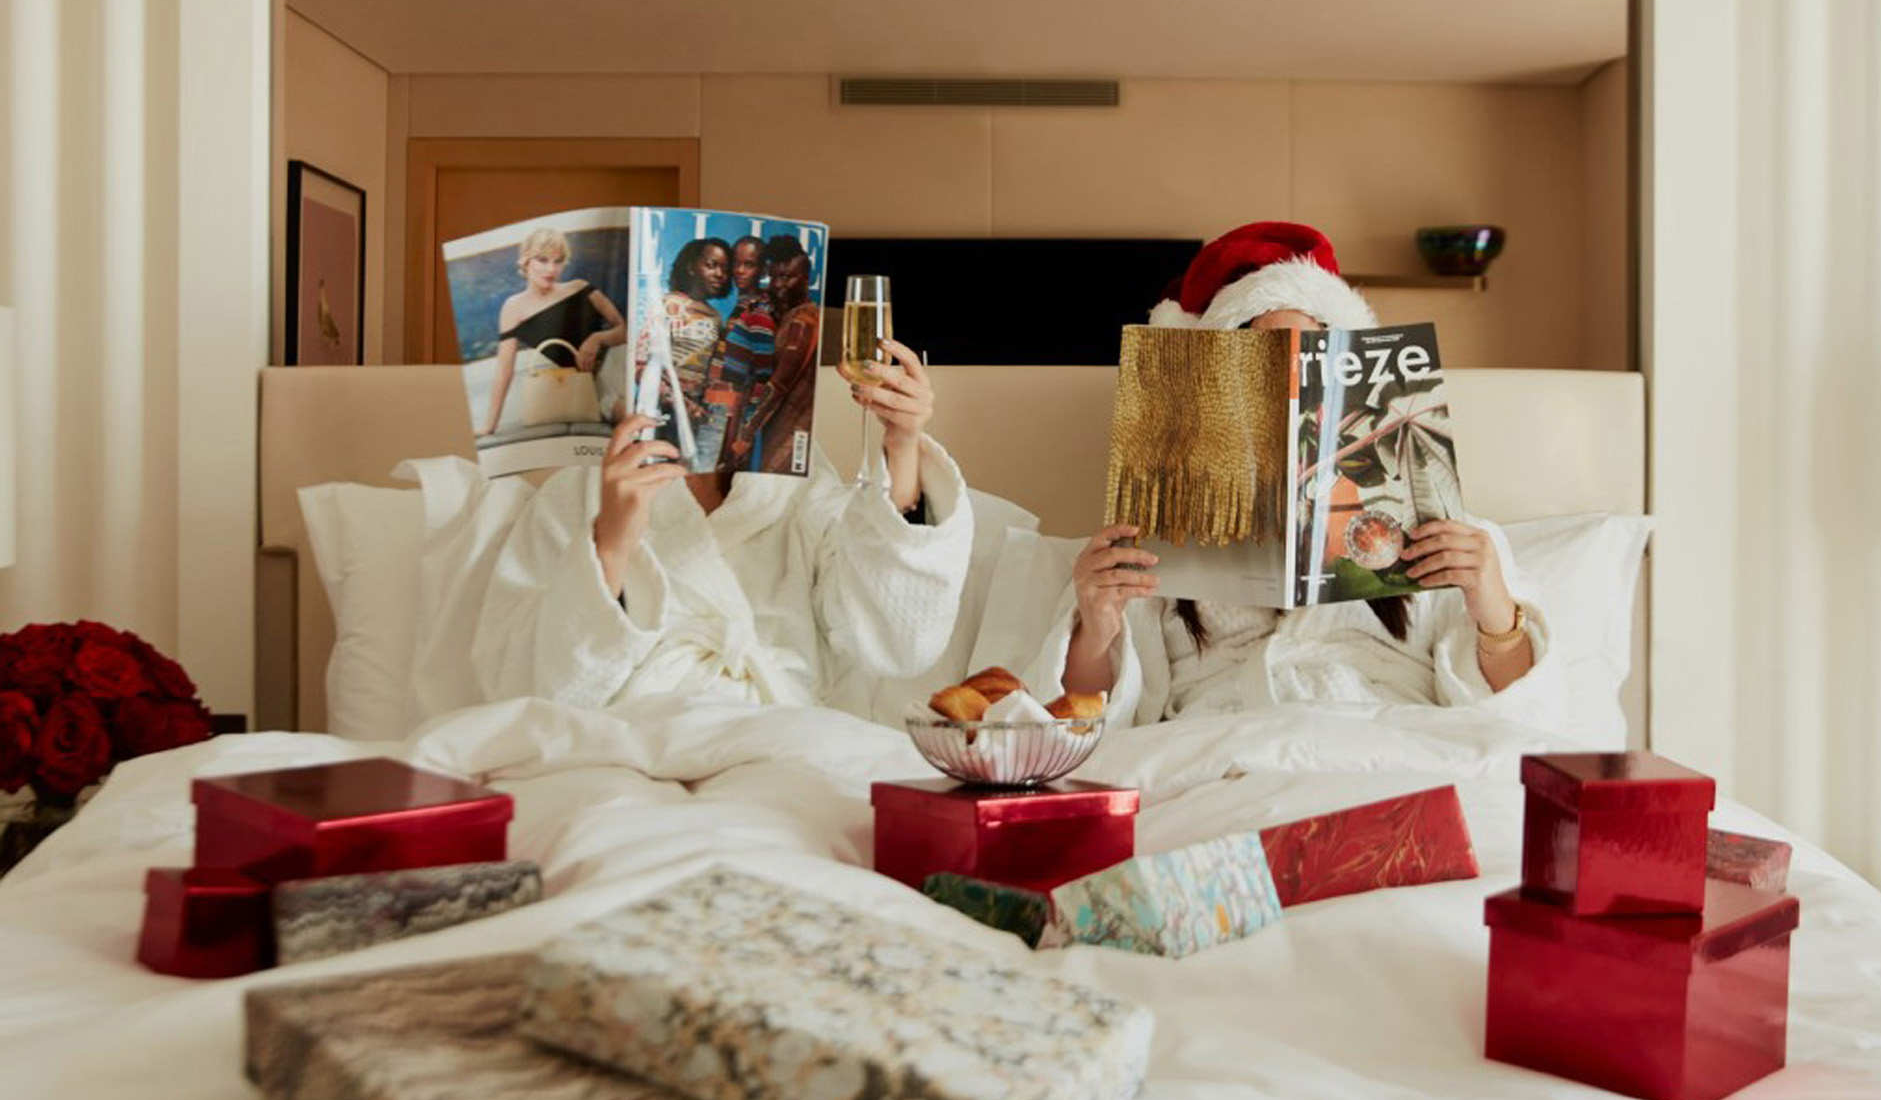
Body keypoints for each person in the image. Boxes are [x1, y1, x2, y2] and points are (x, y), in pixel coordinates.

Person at [1038, 221, 1558, 730]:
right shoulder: (1150, 541)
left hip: (1387, 738)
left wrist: (1493, 607)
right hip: (1222, 745)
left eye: (1307, 357)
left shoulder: (1445, 533)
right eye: (1258, 361)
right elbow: (1087, 717)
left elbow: (1513, 715)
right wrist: (1096, 628)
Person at [472, 275, 972, 711]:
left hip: (780, 735)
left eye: (711, 354)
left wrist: (901, 443)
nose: (694, 375)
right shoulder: (578, 489)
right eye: (673, 353)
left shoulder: (792, 477)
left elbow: (896, 639)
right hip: (629, 739)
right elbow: (527, 684)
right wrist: (612, 541)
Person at [482, 227, 626, 437]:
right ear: (525, 261)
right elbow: (504, 371)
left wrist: (597, 338)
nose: (551, 269)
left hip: (619, 362)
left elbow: (624, 330)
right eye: (542, 259)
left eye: (558, 261)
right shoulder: (514, 308)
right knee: (625, 412)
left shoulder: (581, 287)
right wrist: (490, 427)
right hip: (590, 385)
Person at [726, 234, 820, 476]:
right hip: (773, 428)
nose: (777, 285)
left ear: (806, 278)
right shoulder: (786, 314)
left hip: (790, 432)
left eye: (787, 277)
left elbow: (777, 387)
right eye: (774, 277)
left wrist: (743, 439)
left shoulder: (803, 320)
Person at [651, 236, 733, 469]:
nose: (719, 274)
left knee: (691, 472)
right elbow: (647, 363)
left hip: (700, 410)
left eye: (725, 269)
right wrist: (677, 401)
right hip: (665, 407)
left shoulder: (715, 316)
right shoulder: (669, 304)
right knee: (663, 470)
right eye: (711, 265)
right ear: (691, 267)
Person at [701, 236, 779, 473]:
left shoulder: (759, 311)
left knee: (702, 479)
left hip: (725, 413)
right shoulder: (744, 305)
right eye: (736, 263)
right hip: (715, 408)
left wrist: (745, 430)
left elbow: (763, 377)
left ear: (763, 269)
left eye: (749, 264)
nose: (739, 271)